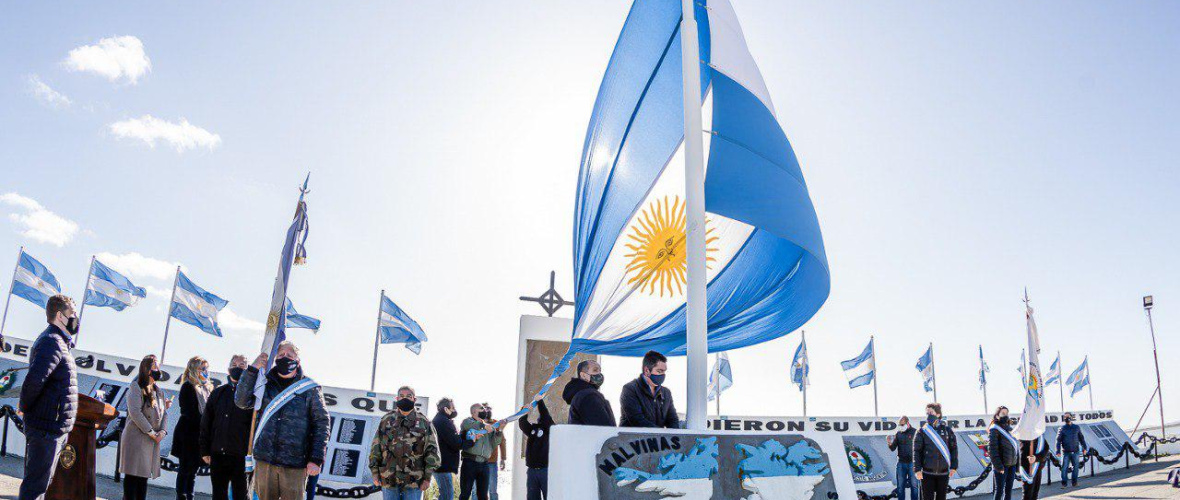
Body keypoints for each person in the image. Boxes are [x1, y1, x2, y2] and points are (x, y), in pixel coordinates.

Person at [235, 341, 330, 500]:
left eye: (289, 355)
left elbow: (322, 424)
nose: (284, 358)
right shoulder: (264, 383)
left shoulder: (310, 388)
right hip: (265, 460)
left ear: (297, 361)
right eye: (281, 355)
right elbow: (241, 401)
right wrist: (252, 369)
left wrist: (316, 459)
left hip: (295, 464)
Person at [18, 294, 80, 500]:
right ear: (60, 316)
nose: (76, 318)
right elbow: (35, 380)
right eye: (73, 314)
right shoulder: (51, 342)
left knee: (41, 487)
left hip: (53, 428)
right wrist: (24, 406)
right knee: (35, 489)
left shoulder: (61, 343)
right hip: (45, 428)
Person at [369, 386, 441, 500]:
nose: (405, 399)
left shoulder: (424, 422)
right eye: (402, 396)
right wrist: (374, 472)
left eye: (408, 396)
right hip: (389, 478)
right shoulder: (387, 420)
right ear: (397, 399)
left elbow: (432, 450)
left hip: (414, 480)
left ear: (414, 399)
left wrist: (427, 478)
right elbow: (376, 447)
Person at [201, 355, 253, 500]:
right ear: (228, 369)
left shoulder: (253, 395)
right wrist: (205, 450)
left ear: (247, 369)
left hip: (242, 457)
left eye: (242, 365)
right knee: (218, 495)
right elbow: (206, 422)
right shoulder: (218, 392)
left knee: (241, 496)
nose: (237, 367)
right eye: (234, 364)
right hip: (218, 454)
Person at [120, 355, 172, 500]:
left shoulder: (159, 391)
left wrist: (162, 431)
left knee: (142, 480)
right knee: (132, 479)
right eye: (155, 366)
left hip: (151, 441)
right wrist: (151, 432)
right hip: (136, 439)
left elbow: (164, 414)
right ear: (147, 369)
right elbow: (135, 412)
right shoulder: (136, 386)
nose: (158, 370)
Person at [173, 356, 213, 500]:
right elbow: (188, 412)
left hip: (200, 437)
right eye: (202, 369)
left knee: (193, 472)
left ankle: (190, 496)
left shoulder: (207, 388)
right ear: (194, 369)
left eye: (207, 369)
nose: (206, 371)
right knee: (185, 470)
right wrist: (206, 423)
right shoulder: (188, 386)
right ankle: (181, 496)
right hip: (188, 435)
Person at [619, 351, 679, 429]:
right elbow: (637, 420)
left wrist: (674, 437)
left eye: (664, 371)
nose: (663, 375)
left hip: (657, 439)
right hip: (633, 439)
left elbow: (672, 419)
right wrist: (661, 434)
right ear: (647, 371)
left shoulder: (666, 393)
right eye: (659, 371)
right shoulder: (630, 389)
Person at [458, 403, 502, 500]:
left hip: (484, 464)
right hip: (470, 462)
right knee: (465, 494)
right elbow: (468, 426)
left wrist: (499, 431)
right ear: (474, 412)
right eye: (481, 408)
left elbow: (495, 443)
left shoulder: (489, 427)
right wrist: (483, 425)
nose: (484, 410)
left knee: (483, 496)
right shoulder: (467, 422)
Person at [913, 402, 957, 500]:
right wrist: (917, 470)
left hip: (943, 473)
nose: (929, 415)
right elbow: (916, 451)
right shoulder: (922, 431)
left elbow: (953, 448)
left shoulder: (947, 430)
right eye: (927, 413)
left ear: (938, 414)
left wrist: (954, 466)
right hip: (927, 473)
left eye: (931, 412)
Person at [518, 398, 554, 500]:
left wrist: (540, 402)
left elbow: (546, 417)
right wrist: (524, 411)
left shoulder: (551, 429)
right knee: (532, 497)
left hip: (545, 470)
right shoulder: (532, 430)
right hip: (532, 470)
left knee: (550, 496)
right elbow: (522, 423)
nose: (540, 418)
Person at [562, 360, 615, 426]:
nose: (599, 374)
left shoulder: (581, 395)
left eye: (600, 371)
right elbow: (602, 429)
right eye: (595, 370)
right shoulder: (588, 396)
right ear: (583, 375)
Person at [432, 398, 464, 500]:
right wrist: (469, 439)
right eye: (452, 408)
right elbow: (456, 443)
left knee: (446, 495)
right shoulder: (443, 421)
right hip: (443, 466)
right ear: (446, 409)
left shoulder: (440, 420)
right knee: (447, 496)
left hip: (441, 465)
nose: (454, 410)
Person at [987, 406, 1020, 500]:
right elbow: (992, 450)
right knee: (999, 491)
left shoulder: (1010, 429)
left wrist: (1016, 464)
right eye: (1003, 413)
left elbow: (1015, 448)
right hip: (1002, 465)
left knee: (1009, 490)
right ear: (997, 416)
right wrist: (998, 466)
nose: (1006, 415)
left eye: (1007, 413)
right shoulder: (994, 429)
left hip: (1012, 465)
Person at [887, 416, 917, 500]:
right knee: (900, 487)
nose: (901, 426)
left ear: (907, 423)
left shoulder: (915, 432)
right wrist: (889, 443)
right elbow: (893, 448)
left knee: (914, 486)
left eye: (902, 424)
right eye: (899, 425)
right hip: (901, 464)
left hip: (912, 464)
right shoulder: (898, 433)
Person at [1055, 413, 1088, 488]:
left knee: (1075, 467)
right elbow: (1058, 441)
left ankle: (1074, 483)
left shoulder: (1076, 427)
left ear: (1071, 417)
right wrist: (1058, 451)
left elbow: (1081, 438)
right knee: (1064, 468)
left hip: (1075, 451)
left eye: (1068, 417)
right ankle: (1064, 484)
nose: (1067, 418)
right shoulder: (1062, 428)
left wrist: (1084, 448)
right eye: (1065, 417)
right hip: (1065, 452)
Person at [482, 404, 507, 500]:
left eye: (488, 409)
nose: (487, 411)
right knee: (476, 491)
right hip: (478, 462)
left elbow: (502, 441)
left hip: (492, 462)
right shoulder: (477, 424)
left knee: (492, 490)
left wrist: (503, 459)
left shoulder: (496, 424)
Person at [1020, 435, 1050, 500]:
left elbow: (1046, 449)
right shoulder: (1024, 436)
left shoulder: (1040, 437)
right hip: (1028, 469)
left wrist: (1036, 457)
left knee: (1035, 493)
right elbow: (1022, 453)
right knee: (1028, 494)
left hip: (1038, 468)